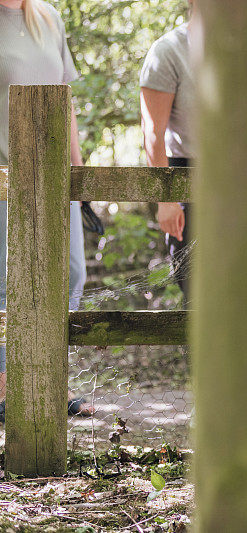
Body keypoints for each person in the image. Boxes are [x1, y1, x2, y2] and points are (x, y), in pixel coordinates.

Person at [0, 0, 91, 418]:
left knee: (71, 272)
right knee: (6, 281)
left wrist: (80, 178)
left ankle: (54, 381)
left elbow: (65, 100)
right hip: (6, 176)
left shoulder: (49, 17)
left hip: (54, 173)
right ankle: (5, 389)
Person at [139, 1, 195, 304]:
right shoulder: (170, 50)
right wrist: (167, 199)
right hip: (185, 173)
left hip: (243, 176)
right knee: (196, 287)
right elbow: (153, 132)